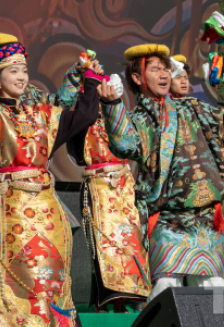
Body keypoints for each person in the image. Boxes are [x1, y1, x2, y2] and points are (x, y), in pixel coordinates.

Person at [97, 44, 224, 302]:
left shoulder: (194, 108)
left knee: (213, 288)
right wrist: (112, 105)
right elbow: (125, 145)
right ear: (138, 78)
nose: (164, 74)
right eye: (155, 69)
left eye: (166, 68)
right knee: (166, 286)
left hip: (206, 217)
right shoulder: (137, 119)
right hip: (167, 219)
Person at [0, 33, 103, 327]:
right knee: (15, 283)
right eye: (13, 70)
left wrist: (92, 81)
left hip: (48, 213)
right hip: (10, 212)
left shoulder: (43, 115)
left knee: (53, 282)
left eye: (24, 70)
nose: (21, 76)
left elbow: (84, 117)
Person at [54, 60, 151, 312]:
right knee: (103, 242)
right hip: (98, 186)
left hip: (123, 186)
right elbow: (73, 129)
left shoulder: (123, 117)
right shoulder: (83, 120)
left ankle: (135, 298)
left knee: (131, 241)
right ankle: (108, 301)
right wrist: (84, 79)